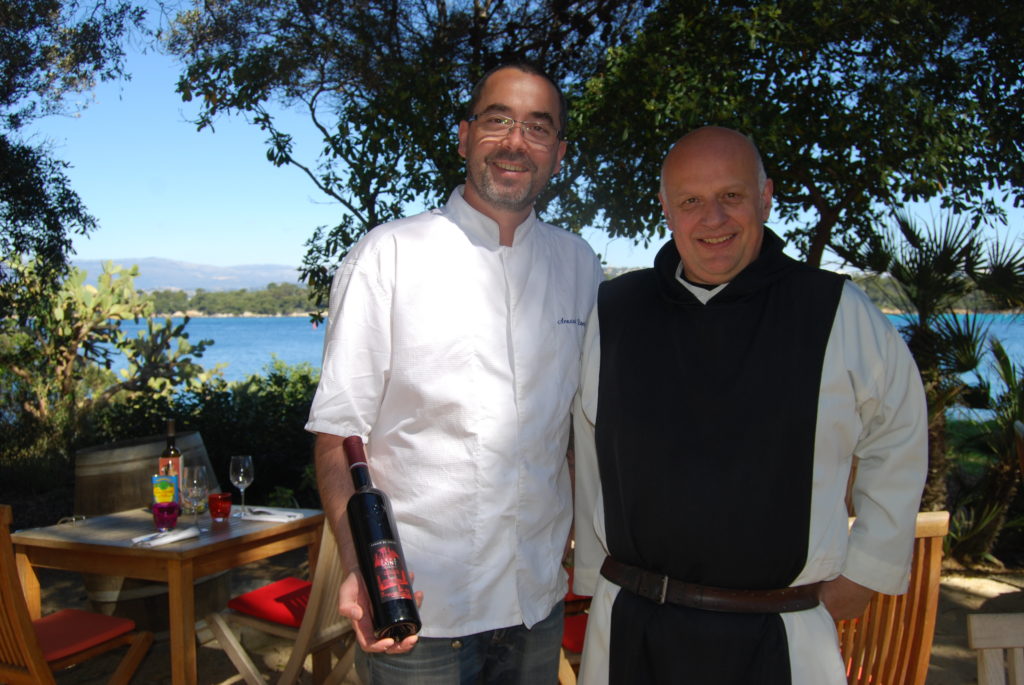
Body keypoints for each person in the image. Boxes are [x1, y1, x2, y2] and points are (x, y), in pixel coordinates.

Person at [571, 126, 928, 684]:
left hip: (781, 634)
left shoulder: (834, 310)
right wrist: (594, 575)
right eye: (691, 200)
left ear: (765, 196)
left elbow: (899, 435)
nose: (712, 219)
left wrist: (869, 570)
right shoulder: (617, 311)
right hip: (630, 629)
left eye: (731, 196)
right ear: (665, 209)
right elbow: (593, 447)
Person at [305, 62, 603, 684]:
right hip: (421, 611)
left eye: (538, 127)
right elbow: (338, 435)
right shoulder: (388, 255)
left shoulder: (578, 264)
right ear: (465, 136)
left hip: (537, 603)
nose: (516, 141)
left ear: (558, 152)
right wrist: (361, 564)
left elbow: (576, 431)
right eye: (497, 121)